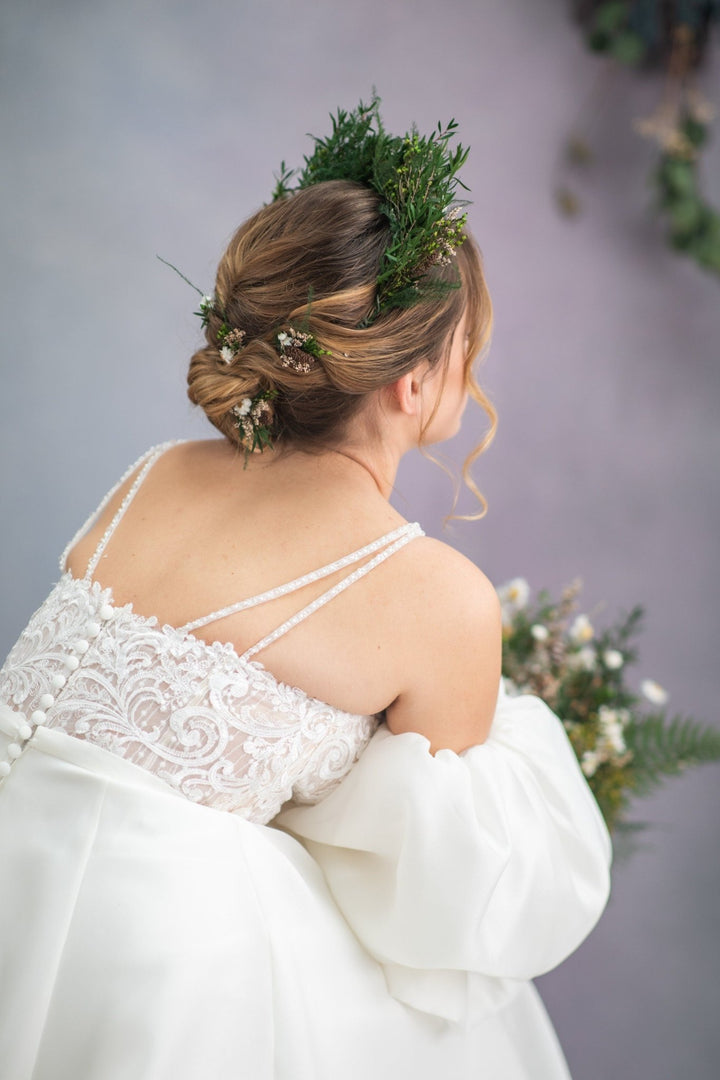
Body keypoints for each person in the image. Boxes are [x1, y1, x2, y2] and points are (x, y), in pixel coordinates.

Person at [0, 98, 612, 1080]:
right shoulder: (435, 595)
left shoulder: (155, 471)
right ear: (412, 383)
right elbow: (439, 907)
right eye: (469, 345)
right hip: (149, 958)